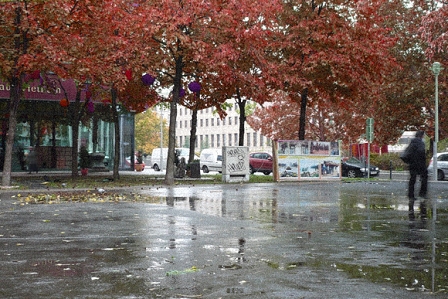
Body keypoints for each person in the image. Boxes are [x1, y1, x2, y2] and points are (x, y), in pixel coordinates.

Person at [404, 130, 428, 219]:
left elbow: (408, 154)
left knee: (412, 180)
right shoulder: (420, 143)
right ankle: (422, 194)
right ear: (421, 136)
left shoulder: (412, 142)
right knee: (424, 178)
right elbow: (421, 153)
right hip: (420, 164)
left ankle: (411, 195)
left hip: (412, 165)